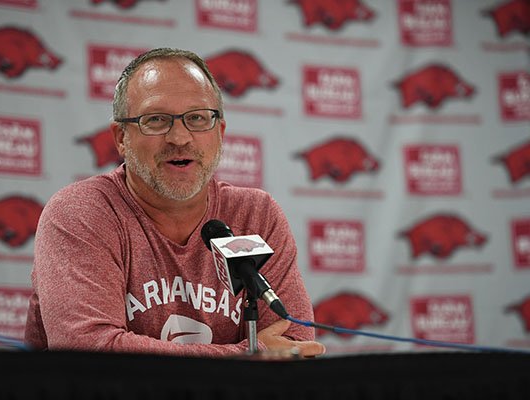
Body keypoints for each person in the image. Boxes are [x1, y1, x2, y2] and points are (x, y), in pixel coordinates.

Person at [24, 47, 325, 357]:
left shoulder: (257, 215)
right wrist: (245, 357)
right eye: (156, 120)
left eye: (196, 118)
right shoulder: (82, 212)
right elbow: (90, 352)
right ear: (121, 138)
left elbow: (294, 347)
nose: (179, 138)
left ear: (219, 133)